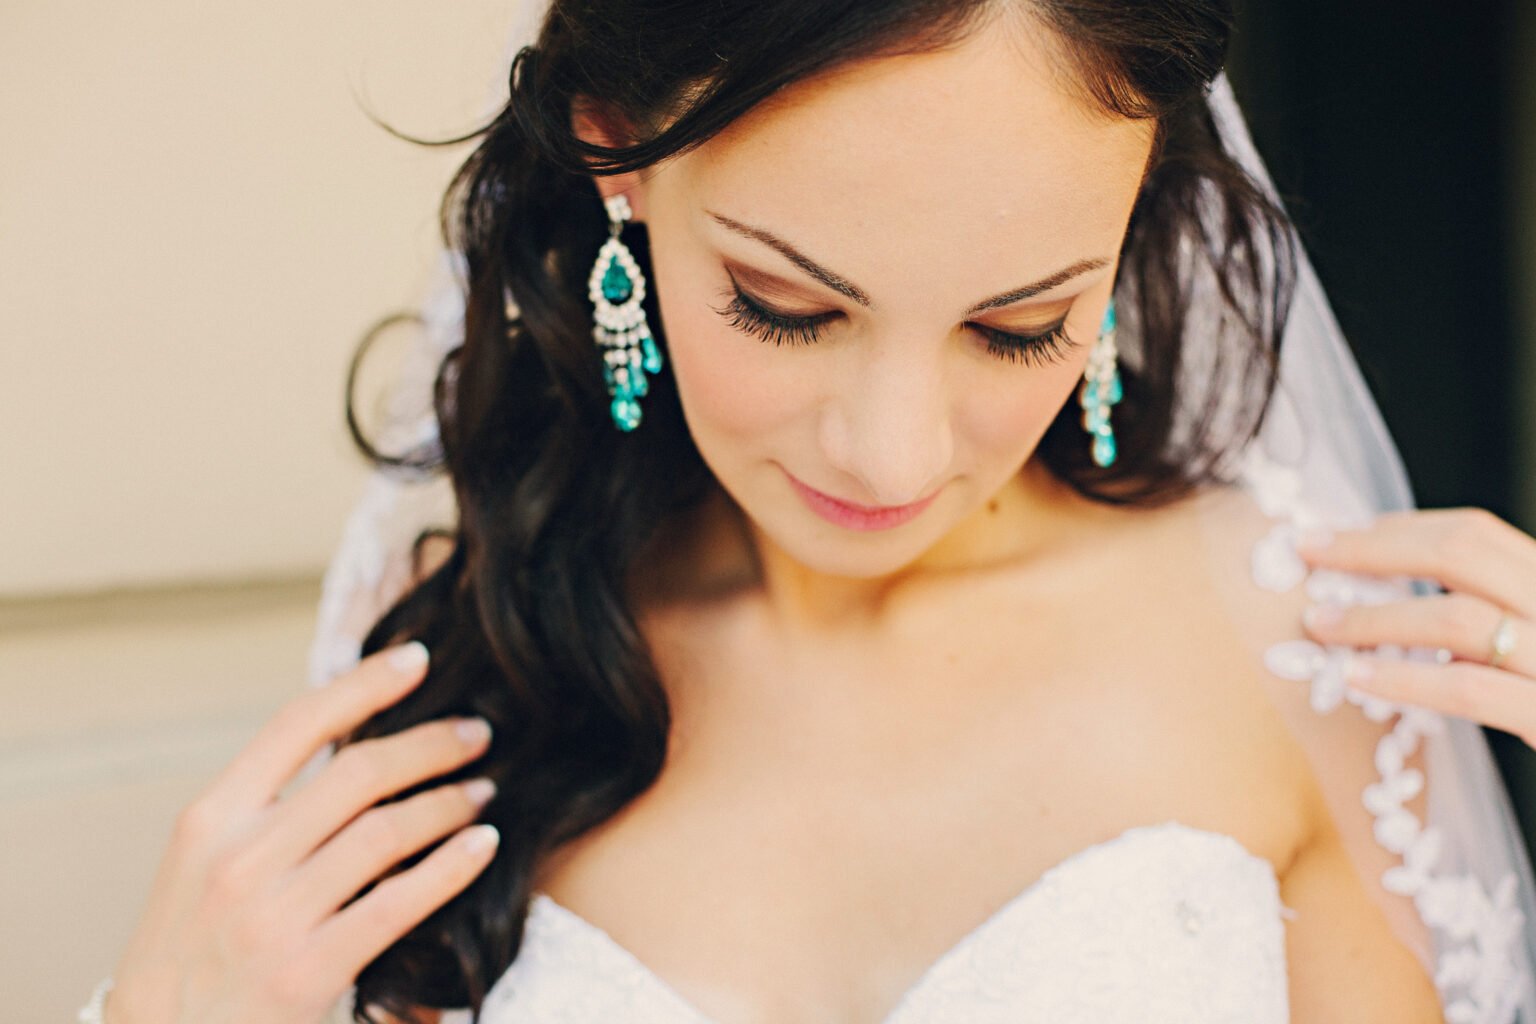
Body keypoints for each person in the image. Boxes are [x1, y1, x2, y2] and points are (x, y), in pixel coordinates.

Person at [85, 1, 1536, 1022]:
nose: (892, 458)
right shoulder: (479, 651)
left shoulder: (1309, 650)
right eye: (784, 307)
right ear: (617, 153)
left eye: (1017, 328)